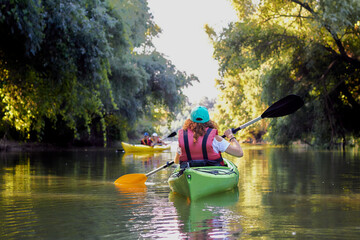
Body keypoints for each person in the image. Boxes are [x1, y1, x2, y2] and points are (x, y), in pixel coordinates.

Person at [174, 106, 243, 168]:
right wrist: (230, 136)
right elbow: (239, 153)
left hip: (190, 173)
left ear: (189, 121)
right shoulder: (216, 138)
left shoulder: (184, 138)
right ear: (208, 121)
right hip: (213, 173)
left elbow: (176, 161)